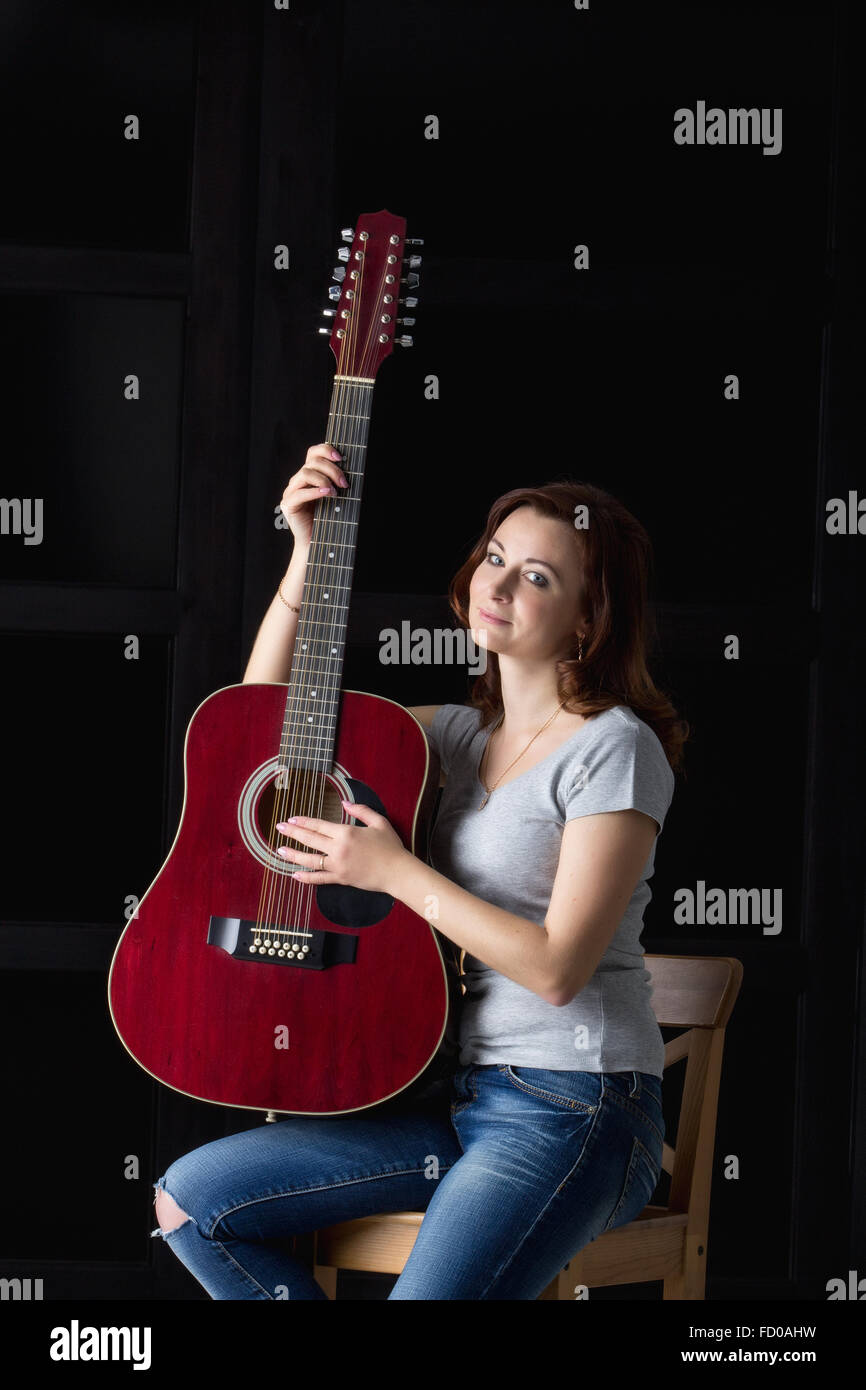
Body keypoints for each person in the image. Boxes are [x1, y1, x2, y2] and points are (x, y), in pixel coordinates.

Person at [150, 442, 689, 1300]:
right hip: (457, 1100)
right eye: (497, 559)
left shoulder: (614, 748)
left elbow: (557, 969)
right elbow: (264, 728)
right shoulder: (456, 737)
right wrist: (307, 556)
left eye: (539, 578)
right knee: (190, 1202)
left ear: (591, 618)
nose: (500, 585)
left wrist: (396, 871)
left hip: (577, 1111)